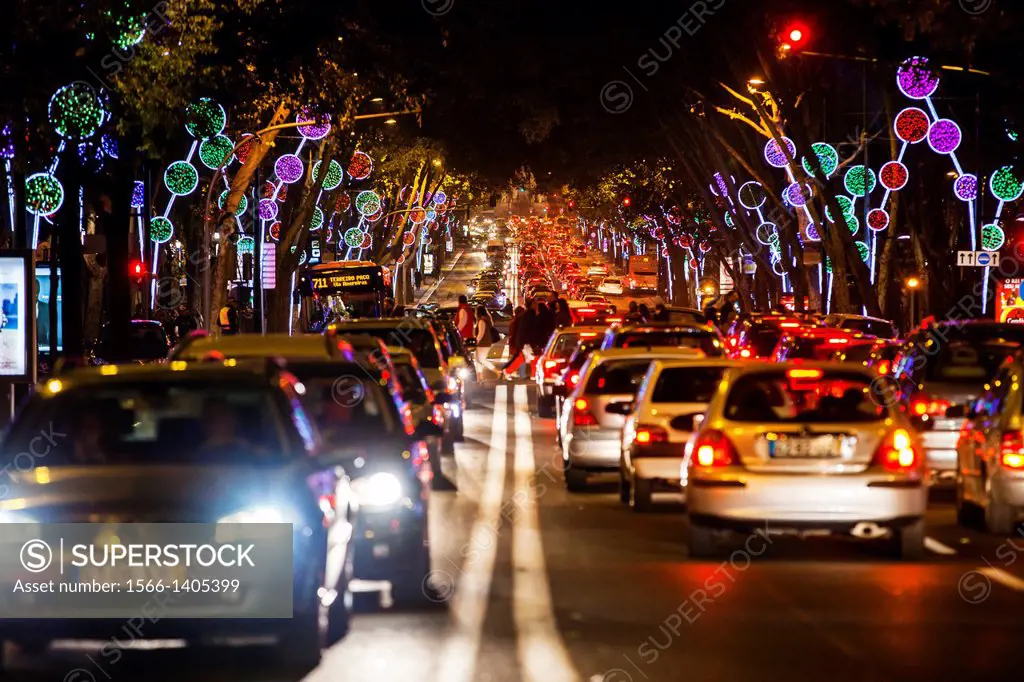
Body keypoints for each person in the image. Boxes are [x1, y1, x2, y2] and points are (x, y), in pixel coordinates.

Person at [502, 306, 527, 379]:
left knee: (517, 358)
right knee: (521, 357)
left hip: (515, 342)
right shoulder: (518, 321)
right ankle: (521, 374)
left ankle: (506, 370)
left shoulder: (514, 321)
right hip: (517, 343)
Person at [474, 306, 497, 376]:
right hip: (485, 342)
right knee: (478, 359)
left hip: (483, 343)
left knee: (481, 360)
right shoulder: (486, 320)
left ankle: (497, 371)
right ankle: (480, 377)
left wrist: (476, 342)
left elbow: (481, 333)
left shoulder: (482, 321)